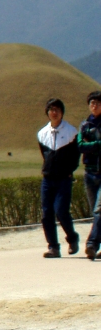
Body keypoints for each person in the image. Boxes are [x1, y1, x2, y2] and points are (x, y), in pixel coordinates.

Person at [38, 98, 80, 259]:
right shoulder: (42, 134)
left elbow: (76, 156)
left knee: (61, 211)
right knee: (46, 213)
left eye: (57, 109)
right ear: (47, 113)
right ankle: (53, 247)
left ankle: (72, 238)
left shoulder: (71, 132)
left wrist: (69, 171)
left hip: (64, 178)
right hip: (48, 178)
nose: (54, 113)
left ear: (62, 112)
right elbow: (45, 154)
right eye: (51, 110)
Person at [78, 91, 101, 260]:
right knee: (96, 211)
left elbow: (87, 145)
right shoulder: (84, 125)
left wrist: (90, 144)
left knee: (100, 210)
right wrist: (97, 144)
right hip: (89, 172)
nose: (95, 106)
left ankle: (91, 244)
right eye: (92, 103)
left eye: (98, 103)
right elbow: (80, 146)